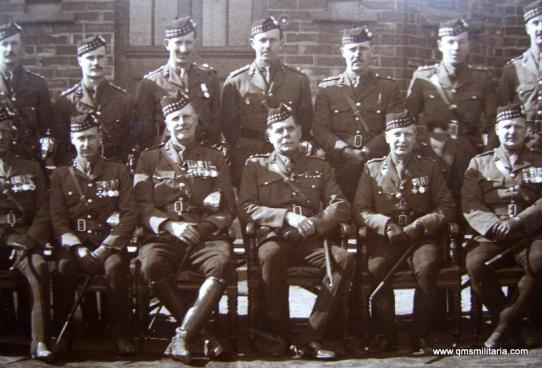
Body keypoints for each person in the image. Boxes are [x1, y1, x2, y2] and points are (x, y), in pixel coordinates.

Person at [239, 103, 354, 360]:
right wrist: (285, 217)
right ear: (269, 135)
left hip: (310, 240)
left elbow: (341, 206)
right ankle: (279, 336)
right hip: (274, 238)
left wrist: (314, 223)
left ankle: (310, 337)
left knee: (344, 259)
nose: (285, 135)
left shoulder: (320, 165)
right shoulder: (255, 166)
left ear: (300, 132)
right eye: (278, 130)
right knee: (271, 255)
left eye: (290, 129)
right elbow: (246, 208)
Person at [134, 94, 236, 364]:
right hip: (165, 236)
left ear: (197, 120)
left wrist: (202, 229)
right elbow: (143, 206)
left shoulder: (216, 158)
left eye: (187, 117)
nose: (182, 123)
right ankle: (203, 336)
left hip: (205, 238)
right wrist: (170, 225)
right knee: (150, 265)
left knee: (222, 263)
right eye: (176, 118)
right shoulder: (148, 159)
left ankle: (181, 336)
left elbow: (228, 209)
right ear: (166, 123)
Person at [353, 110, 455, 354]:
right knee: (377, 267)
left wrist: (420, 225)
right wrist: (385, 224)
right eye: (397, 134)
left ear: (415, 138)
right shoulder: (372, 169)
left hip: (420, 239)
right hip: (387, 238)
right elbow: (360, 209)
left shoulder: (430, 167)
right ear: (387, 137)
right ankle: (387, 334)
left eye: (408, 135)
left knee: (428, 265)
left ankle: (420, 335)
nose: (402, 140)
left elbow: (447, 206)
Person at [49, 112, 138, 354]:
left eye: (90, 138)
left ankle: (122, 334)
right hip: (75, 245)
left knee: (115, 268)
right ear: (72, 140)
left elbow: (129, 214)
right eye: (80, 138)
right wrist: (77, 248)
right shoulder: (60, 175)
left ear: (100, 139)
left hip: (107, 245)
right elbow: (57, 219)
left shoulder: (118, 171)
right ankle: (63, 334)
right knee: (63, 268)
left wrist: (105, 247)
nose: (85, 144)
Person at [462, 103, 542, 348]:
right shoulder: (479, 163)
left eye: (518, 127)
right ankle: (515, 325)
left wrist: (519, 220)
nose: (512, 132)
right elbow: (470, 202)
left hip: (529, 233)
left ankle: (503, 325)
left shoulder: (539, 159)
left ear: (526, 130)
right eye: (507, 127)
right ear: (497, 129)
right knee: (475, 265)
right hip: (492, 235)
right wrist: (495, 225)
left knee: (540, 262)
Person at [406, 18, 496, 200]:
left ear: (469, 45)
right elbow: (408, 120)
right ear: (440, 45)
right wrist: (417, 151)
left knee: (467, 202)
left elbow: (495, 121)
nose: (456, 48)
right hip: (432, 152)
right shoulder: (424, 78)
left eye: (461, 42)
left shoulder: (482, 79)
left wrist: (486, 155)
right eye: (451, 42)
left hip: (469, 153)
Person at [313, 26, 403, 201]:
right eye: (352, 49)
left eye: (363, 48)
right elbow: (320, 129)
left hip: (377, 165)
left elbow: (394, 128)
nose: (357, 54)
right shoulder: (327, 89)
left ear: (371, 51)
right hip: (338, 166)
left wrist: (366, 151)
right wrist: (345, 151)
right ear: (343, 52)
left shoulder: (388, 88)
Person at [222, 16, 314, 186]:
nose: (267, 45)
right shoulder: (236, 82)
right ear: (252, 43)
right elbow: (229, 129)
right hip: (247, 156)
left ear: (281, 43)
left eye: (272, 40)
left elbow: (305, 122)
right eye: (262, 40)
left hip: (286, 155)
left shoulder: (298, 80)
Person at [0, 105, 52, 361]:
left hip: (23, 237)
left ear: (12, 133)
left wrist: (31, 239)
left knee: (39, 267)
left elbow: (44, 210)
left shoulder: (31, 167)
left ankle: (39, 341)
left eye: (3, 131)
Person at [135, 17, 222, 150]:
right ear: (167, 44)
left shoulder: (209, 78)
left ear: (195, 43)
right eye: (178, 43)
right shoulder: (151, 83)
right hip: (166, 156)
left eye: (188, 43)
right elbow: (145, 132)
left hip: (204, 155)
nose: (183, 49)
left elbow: (216, 124)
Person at [53, 35, 135, 165]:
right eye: (90, 58)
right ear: (80, 61)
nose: (96, 63)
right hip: (78, 174)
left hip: (114, 174)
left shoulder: (124, 100)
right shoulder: (66, 102)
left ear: (107, 60)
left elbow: (130, 145)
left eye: (100, 57)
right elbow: (61, 148)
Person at [0, 21, 54, 162]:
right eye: (4, 44)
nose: (9, 49)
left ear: (22, 48)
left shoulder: (38, 84)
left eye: (14, 44)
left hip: (29, 161)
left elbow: (47, 129)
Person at [497, 0, 542, 150]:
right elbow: (502, 111)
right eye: (535, 23)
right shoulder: (513, 68)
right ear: (527, 28)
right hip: (526, 144)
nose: (540, 28)